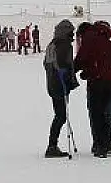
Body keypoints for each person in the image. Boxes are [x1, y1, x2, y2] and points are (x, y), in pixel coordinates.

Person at [74, 22, 111, 158]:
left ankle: (100, 146)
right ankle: (106, 143)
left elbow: (82, 59)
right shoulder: (108, 40)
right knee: (107, 115)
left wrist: (72, 72)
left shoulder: (89, 39)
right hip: (110, 81)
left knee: (96, 114)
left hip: (96, 82)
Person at [43, 19, 78, 158]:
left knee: (59, 115)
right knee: (61, 116)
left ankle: (52, 145)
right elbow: (65, 64)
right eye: (71, 32)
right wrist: (67, 79)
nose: (73, 35)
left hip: (52, 83)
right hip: (60, 84)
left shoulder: (52, 44)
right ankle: (52, 146)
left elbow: (46, 64)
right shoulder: (64, 45)